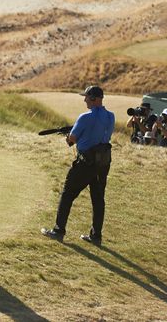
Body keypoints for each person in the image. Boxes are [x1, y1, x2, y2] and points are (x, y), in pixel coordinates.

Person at [42, 85, 115, 246]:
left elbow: (72, 139)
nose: (85, 100)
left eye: (87, 97)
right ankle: (96, 236)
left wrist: (68, 137)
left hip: (85, 164)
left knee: (67, 194)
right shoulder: (111, 116)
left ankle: (58, 230)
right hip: (102, 163)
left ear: (94, 99)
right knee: (98, 200)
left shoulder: (84, 117)